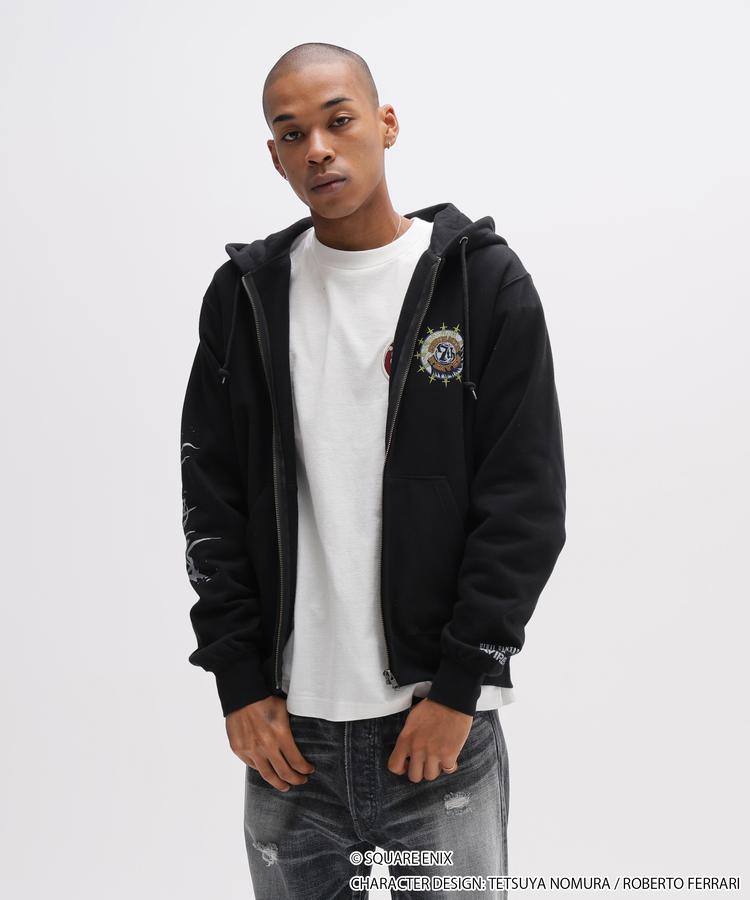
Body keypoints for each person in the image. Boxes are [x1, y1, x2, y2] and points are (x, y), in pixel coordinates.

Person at [180, 41, 566, 900]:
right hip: (288, 740)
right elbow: (211, 499)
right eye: (292, 134)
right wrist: (238, 683)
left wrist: (461, 686)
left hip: (436, 733)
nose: (318, 148)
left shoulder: (482, 285)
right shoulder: (244, 297)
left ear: (385, 124)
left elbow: (526, 502)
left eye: (339, 120)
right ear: (275, 156)